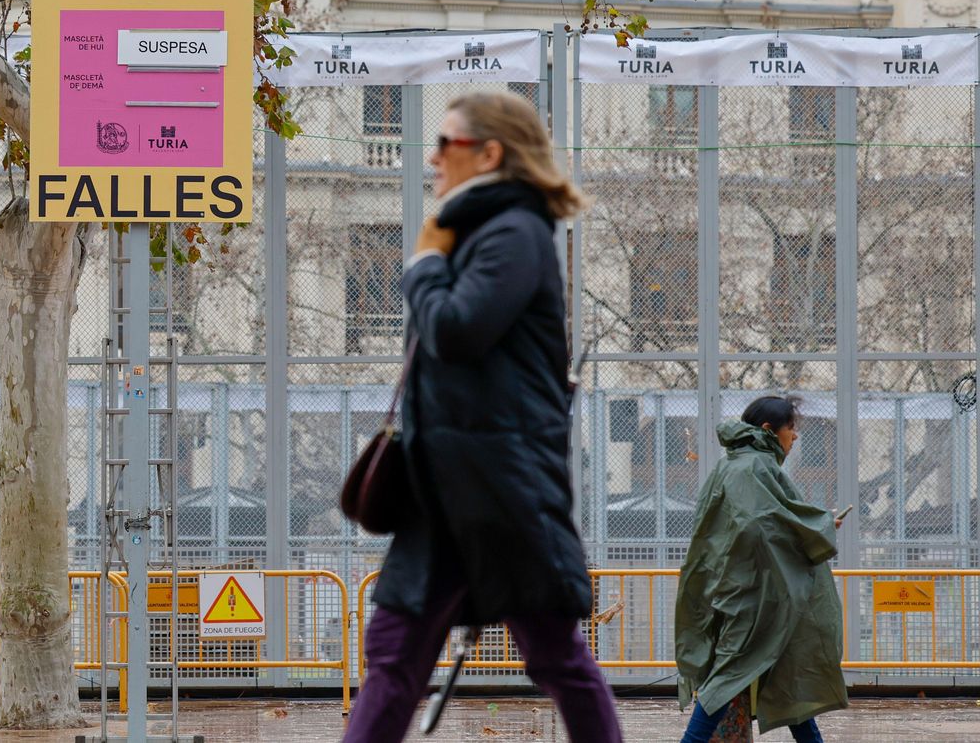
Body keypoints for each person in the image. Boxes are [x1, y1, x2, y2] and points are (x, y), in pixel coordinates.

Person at [343, 92, 622, 743]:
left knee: (555, 656)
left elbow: (458, 330)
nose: (434, 157)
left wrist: (422, 264)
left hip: (500, 491)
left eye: (447, 143)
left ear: (489, 152)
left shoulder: (514, 232)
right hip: (450, 490)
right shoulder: (481, 231)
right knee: (394, 656)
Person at [675, 396, 848, 743]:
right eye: (791, 428)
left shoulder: (733, 465)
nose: (795, 437)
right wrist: (819, 526)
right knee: (728, 678)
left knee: (785, 673)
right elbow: (760, 525)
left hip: (749, 593)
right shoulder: (755, 467)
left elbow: (764, 522)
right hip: (755, 599)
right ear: (769, 430)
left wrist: (813, 524)